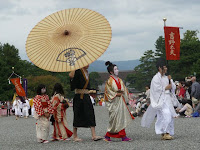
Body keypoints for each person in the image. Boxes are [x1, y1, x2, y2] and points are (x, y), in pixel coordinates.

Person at [141, 58, 179, 140]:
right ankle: (165, 132)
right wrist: (165, 88)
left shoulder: (166, 77)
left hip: (167, 99)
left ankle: (166, 132)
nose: (166, 69)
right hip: (161, 99)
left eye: (166, 67)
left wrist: (170, 81)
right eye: (164, 67)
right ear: (159, 68)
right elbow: (155, 90)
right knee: (166, 114)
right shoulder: (156, 78)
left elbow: (173, 87)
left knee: (168, 116)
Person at [69, 65, 102, 142]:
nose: (88, 65)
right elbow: (71, 78)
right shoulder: (77, 71)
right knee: (77, 114)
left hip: (86, 96)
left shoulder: (86, 72)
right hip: (78, 96)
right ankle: (75, 136)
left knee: (90, 113)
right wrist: (73, 70)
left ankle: (94, 135)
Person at [104, 61, 134, 142]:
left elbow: (124, 89)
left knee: (120, 118)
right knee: (114, 119)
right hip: (114, 101)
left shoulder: (120, 80)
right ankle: (109, 135)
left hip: (120, 101)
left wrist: (128, 97)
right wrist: (115, 94)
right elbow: (107, 92)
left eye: (117, 69)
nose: (117, 70)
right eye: (115, 69)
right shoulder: (109, 81)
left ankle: (121, 136)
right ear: (111, 72)